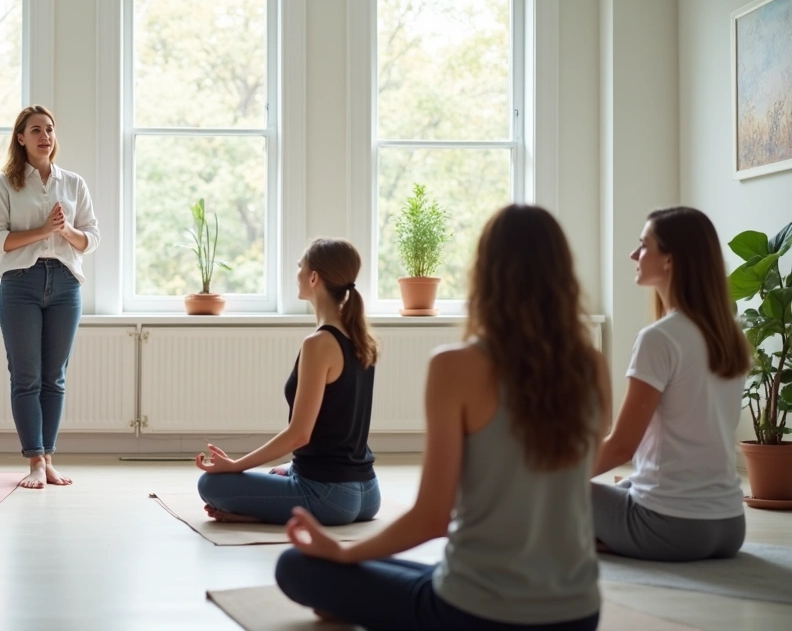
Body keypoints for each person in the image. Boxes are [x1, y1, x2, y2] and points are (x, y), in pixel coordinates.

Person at [275, 205, 606, 630]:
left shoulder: (455, 366)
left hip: (474, 612)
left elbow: (433, 516)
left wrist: (342, 554)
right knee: (416, 574)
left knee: (296, 566)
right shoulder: (592, 366)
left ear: (484, 274)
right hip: (578, 613)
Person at [590, 207, 750, 561]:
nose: (634, 254)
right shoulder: (730, 336)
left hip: (671, 526)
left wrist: (550, 480)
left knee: (544, 491)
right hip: (729, 525)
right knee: (625, 485)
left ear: (669, 260)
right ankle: (609, 537)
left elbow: (620, 448)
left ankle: (608, 538)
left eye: (643, 245)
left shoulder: (659, 338)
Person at [194, 238, 381, 525]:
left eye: (300, 267)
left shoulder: (319, 343)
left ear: (314, 277)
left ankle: (258, 514)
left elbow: (299, 435)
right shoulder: (360, 339)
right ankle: (274, 499)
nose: (297, 274)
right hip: (367, 493)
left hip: (329, 497)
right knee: (279, 470)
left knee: (210, 485)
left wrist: (235, 466)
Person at [0, 105, 99, 489]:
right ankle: (33, 460)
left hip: (66, 283)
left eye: (49, 129)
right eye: (36, 130)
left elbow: (91, 238)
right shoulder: (6, 185)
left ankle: (48, 458)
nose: (45, 136)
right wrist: (42, 230)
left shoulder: (74, 183)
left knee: (55, 378)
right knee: (26, 377)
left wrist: (64, 233)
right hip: (20, 284)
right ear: (21, 138)